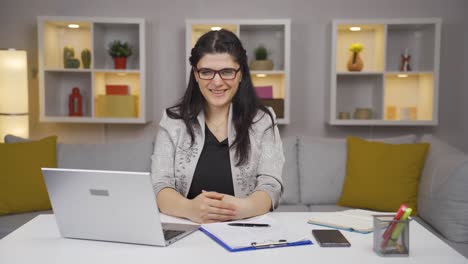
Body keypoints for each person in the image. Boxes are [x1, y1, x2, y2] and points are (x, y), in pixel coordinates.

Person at [151, 29, 284, 224]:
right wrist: (189, 209)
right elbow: (159, 185)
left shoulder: (263, 120)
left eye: (227, 72)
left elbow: (271, 185)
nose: (217, 82)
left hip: (245, 231)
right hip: (186, 233)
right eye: (206, 72)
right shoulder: (172, 121)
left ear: (241, 74)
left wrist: (237, 210)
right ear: (196, 75)